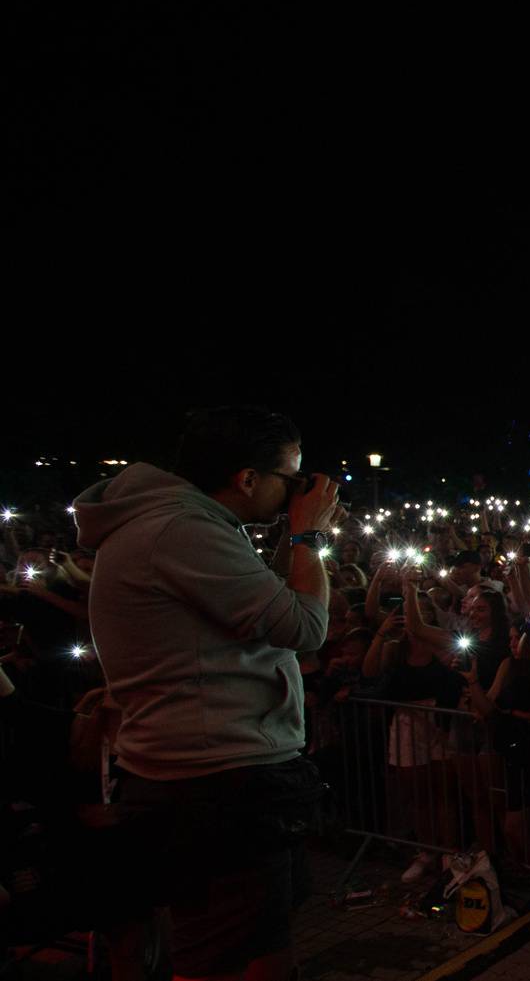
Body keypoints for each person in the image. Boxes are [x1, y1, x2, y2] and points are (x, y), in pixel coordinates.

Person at [73, 406, 340, 981]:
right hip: (216, 781)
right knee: (225, 958)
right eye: (291, 479)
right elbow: (304, 627)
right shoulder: (180, 530)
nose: (298, 491)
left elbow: (262, 610)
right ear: (247, 478)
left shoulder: (184, 527)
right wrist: (309, 534)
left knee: (258, 943)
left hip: (214, 771)